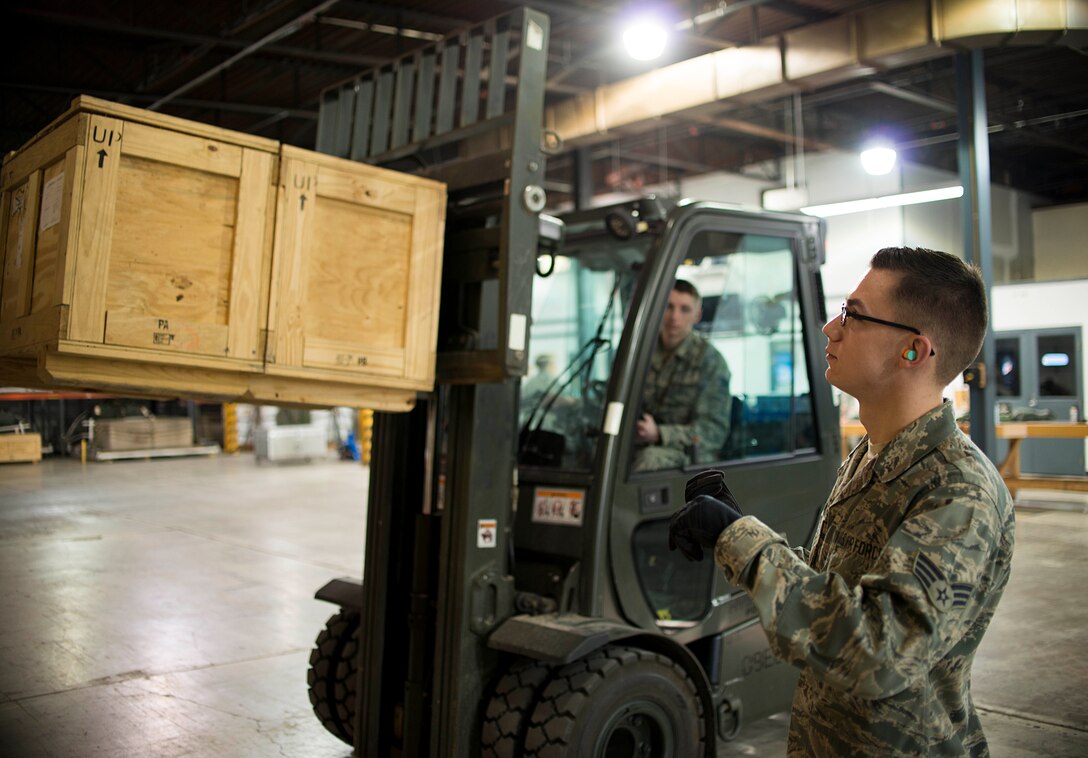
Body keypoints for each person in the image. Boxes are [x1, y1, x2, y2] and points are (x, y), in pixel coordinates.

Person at [668, 247, 1016, 756]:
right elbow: (839, 589)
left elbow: (878, 650)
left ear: (914, 351)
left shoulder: (958, 490)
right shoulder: (871, 456)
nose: (831, 328)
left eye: (853, 315)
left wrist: (741, 542)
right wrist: (739, 525)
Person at [634, 279, 731, 471]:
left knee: (650, 459)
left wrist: (660, 434)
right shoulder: (639, 354)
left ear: (697, 315)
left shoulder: (710, 362)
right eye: (668, 307)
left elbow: (712, 433)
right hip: (637, 443)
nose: (674, 317)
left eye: (684, 309)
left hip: (689, 453)